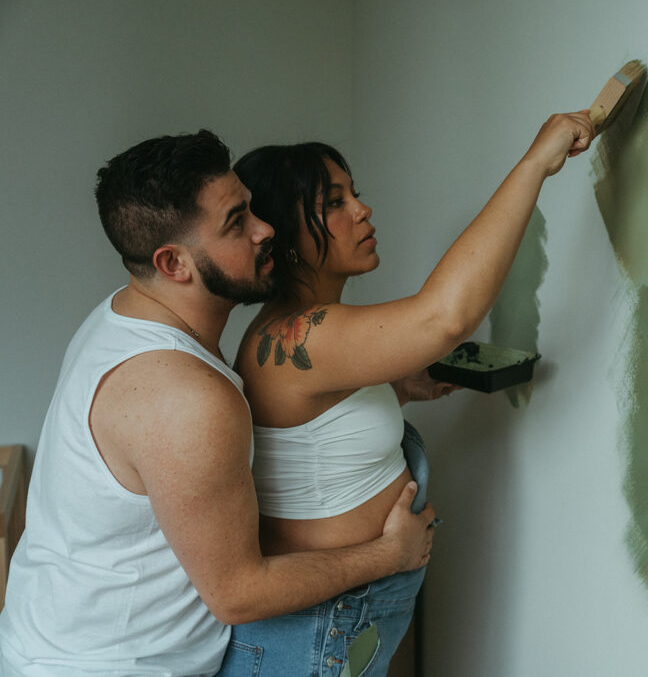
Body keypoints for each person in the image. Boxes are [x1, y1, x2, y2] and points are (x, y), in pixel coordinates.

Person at [0, 130, 435, 677]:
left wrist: (385, 389)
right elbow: (239, 595)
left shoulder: (123, 316)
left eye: (249, 207)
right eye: (236, 223)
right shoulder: (184, 397)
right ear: (174, 263)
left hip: (48, 640)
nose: (265, 229)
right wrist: (390, 555)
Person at [221, 110, 595, 675]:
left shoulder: (305, 332)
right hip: (317, 633)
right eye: (334, 203)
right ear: (284, 234)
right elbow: (444, 318)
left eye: (355, 194)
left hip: (338, 625)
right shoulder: (298, 335)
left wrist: (392, 391)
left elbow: (311, 445)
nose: (362, 210)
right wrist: (536, 163)